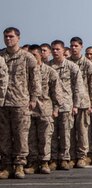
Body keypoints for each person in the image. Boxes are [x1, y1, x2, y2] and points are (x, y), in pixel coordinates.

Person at [1, 27, 41, 180]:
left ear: (18, 38)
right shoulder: (1, 56)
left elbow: (35, 80)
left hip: (20, 102)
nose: (8, 39)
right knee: (3, 136)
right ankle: (6, 165)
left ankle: (19, 164)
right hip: (3, 102)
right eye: (6, 36)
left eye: (11, 36)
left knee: (21, 135)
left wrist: (33, 99)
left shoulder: (27, 57)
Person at [50, 39, 82, 170]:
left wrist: (76, 105)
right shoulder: (48, 66)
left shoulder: (72, 67)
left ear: (64, 50)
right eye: (53, 49)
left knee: (65, 134)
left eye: (57, 49)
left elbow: (77, 87)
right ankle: (53, 158)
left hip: (66, 105)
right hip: (50, 106)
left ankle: (64, 158)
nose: (55, 51)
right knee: (51, 134)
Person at [28, 44, 59, 174]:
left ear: (41, 55)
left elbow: (56, 91)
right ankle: (34, 162)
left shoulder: (50, 71)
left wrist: (56, 108)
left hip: (45, 108)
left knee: (45, 137)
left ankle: (45, 162)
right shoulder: (26, 71)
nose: (32, 58)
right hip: (30, 109)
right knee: (31, 137)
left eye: (34, 55)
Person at [69, 36, 92, 168]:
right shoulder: (67, 63)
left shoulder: (87, 64)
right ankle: (72, 156)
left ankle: (82, 156)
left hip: (83, 103)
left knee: (83, 131)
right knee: (70, 131)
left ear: (81, 47)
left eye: (76, 46)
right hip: (69, 102)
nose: (73, 48)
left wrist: (91, 103)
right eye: (72, 46)